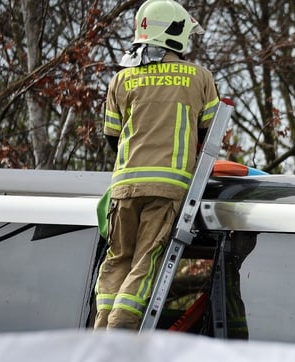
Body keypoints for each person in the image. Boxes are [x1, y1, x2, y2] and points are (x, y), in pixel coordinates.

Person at [94, 0, 221, 330]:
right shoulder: (199, 78)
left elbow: (112, 137)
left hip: (123, 187)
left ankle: (102, 326)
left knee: (118, 257)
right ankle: (121, 326)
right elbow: (209, 136)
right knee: (147, 258)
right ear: (176, 33)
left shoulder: (121, 80)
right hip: (168, 188)